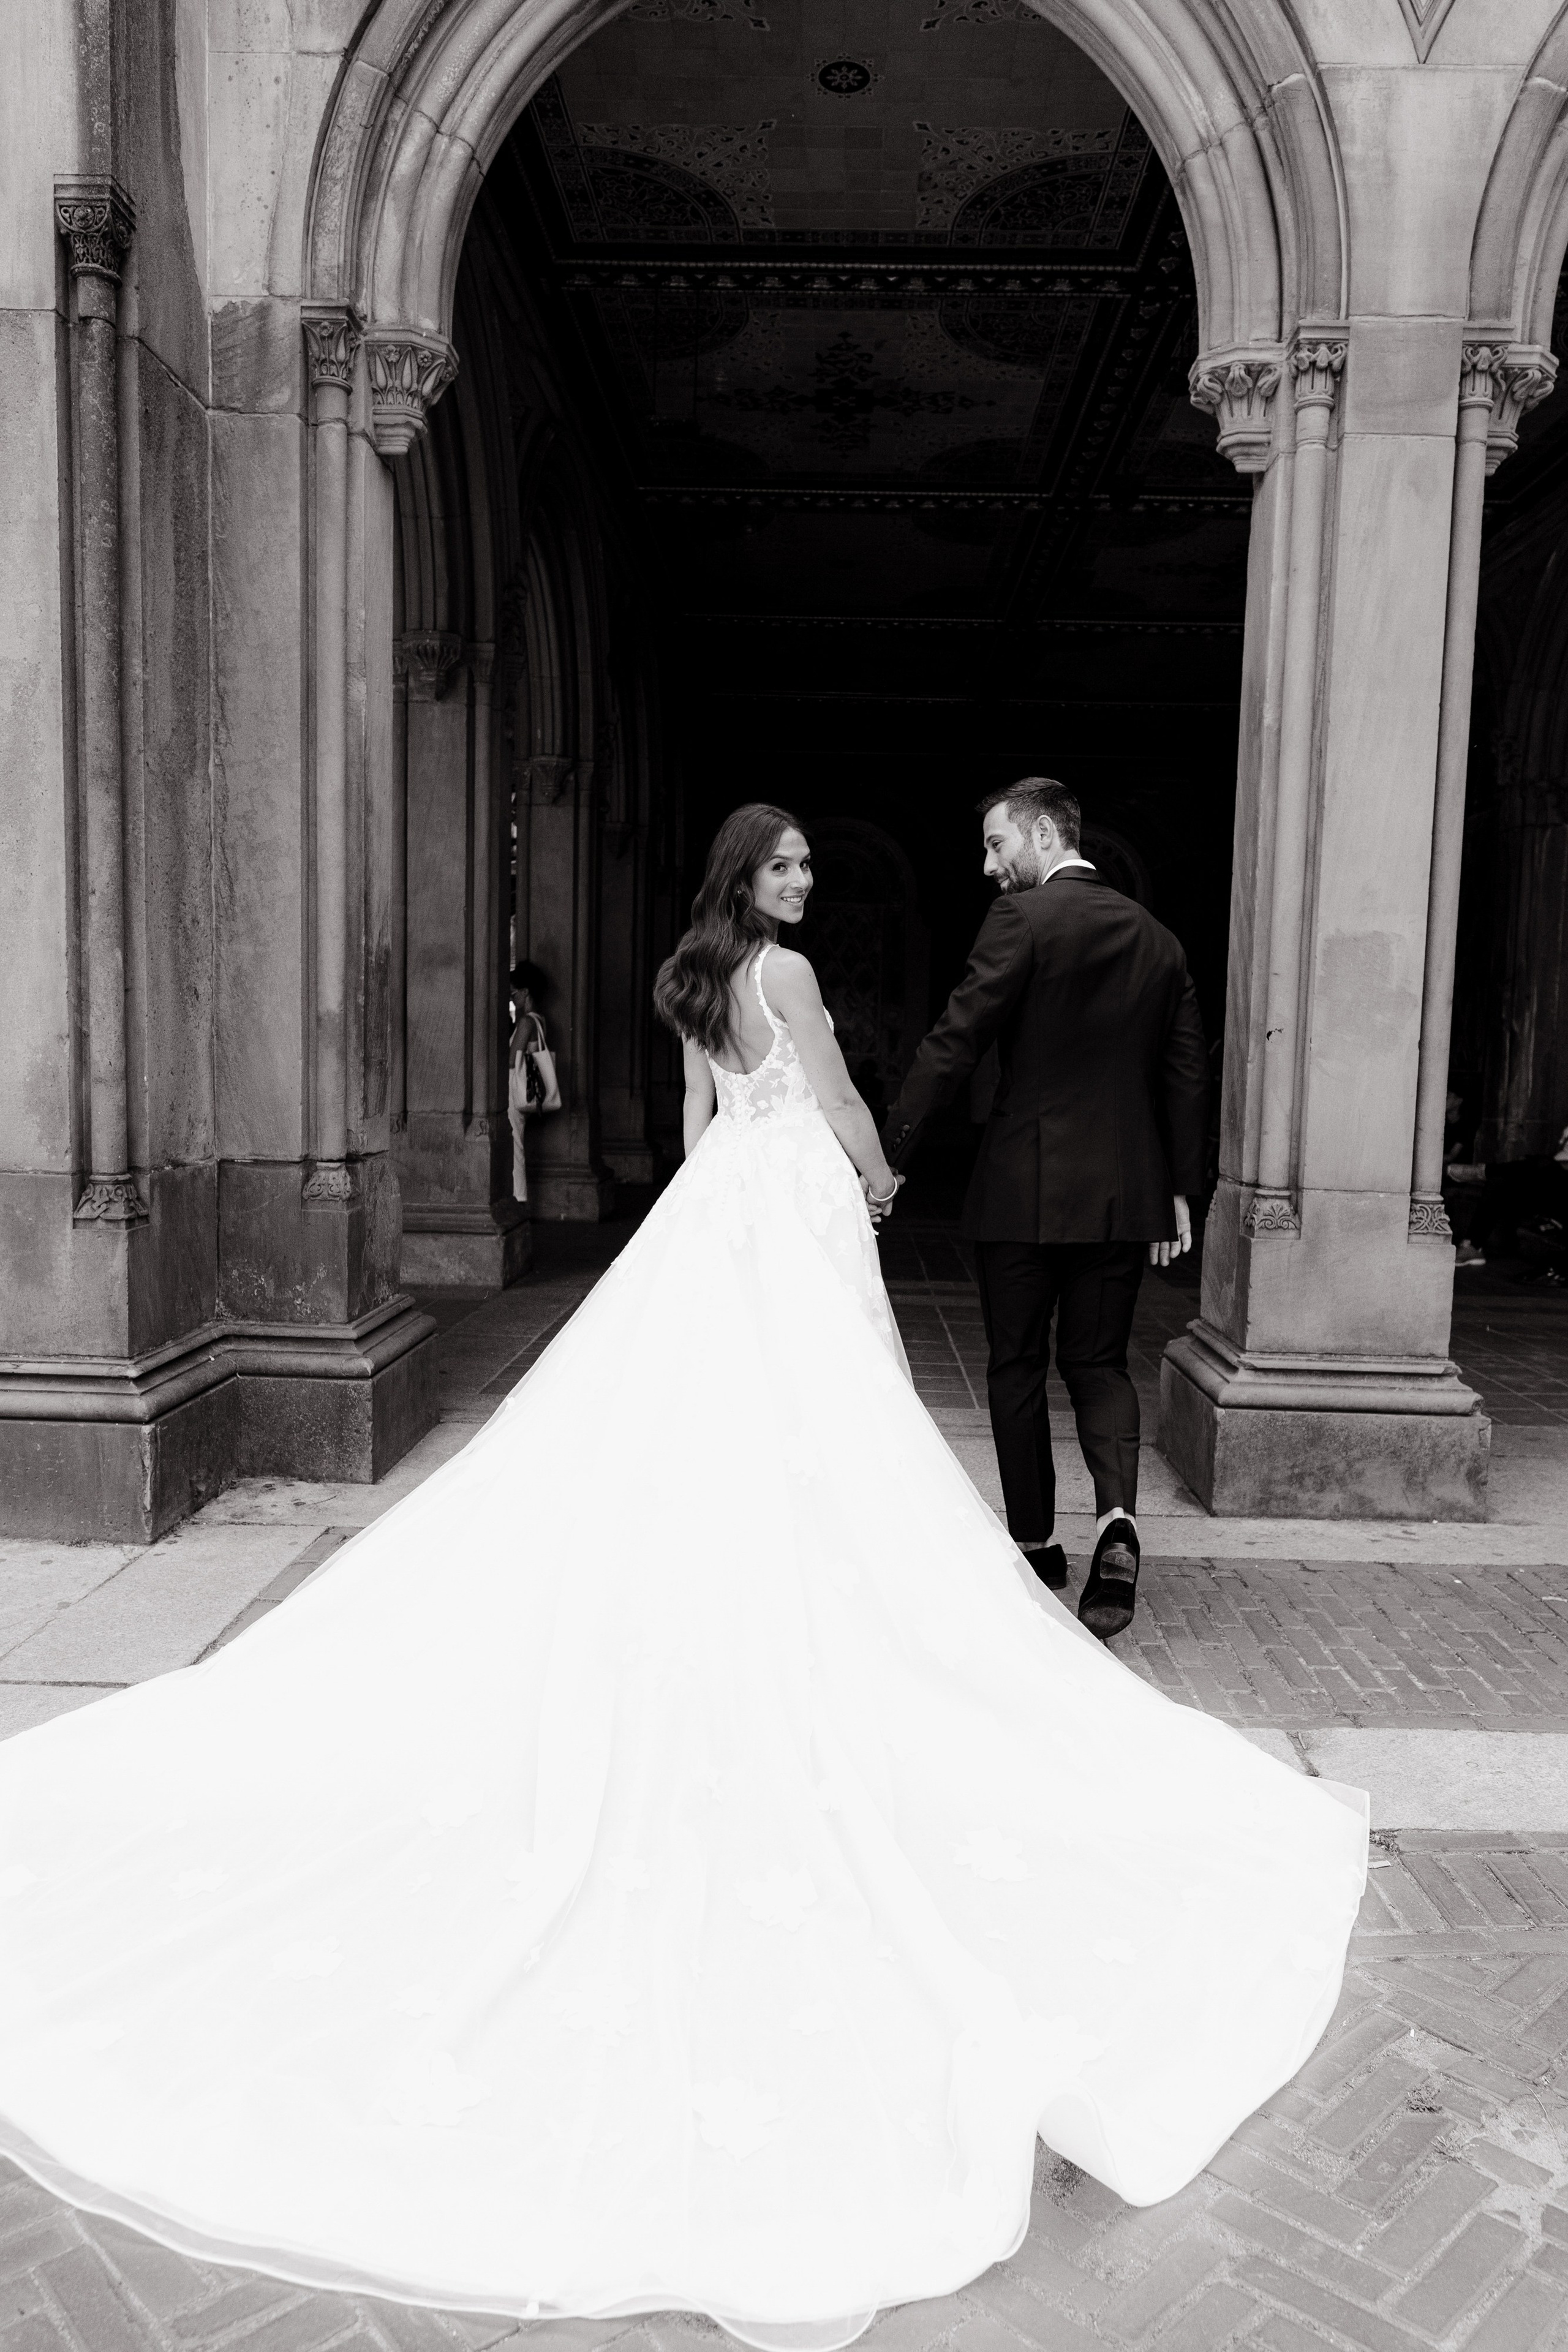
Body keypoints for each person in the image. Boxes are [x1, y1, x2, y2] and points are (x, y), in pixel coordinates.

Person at [0, 805, 1365, 2352]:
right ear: (749, 883)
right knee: (820, 1429)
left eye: (799, 870)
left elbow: (711, 1126)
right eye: (781, 868)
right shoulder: (778, 973)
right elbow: (837, 1102)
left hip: (722, 1213)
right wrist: (870, 1180)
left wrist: (732, 1210)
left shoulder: (692, 972)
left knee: (734, 1428)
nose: (795, 885)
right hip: (784, 1214)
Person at [882, 780, 1207, 1639]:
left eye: (997, 846)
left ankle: (1033, 1544)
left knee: (1018, 1364)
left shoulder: (1021, 922)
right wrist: (1178, 1188)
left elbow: (955, 1041)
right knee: (1099, 1364)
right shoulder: (1160, 942)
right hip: (1121, 1196)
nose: (990, 867)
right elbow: (1184, 1075)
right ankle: (1117, 1523)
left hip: (1023, 1189)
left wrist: (885, 1154)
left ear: (1041, 831)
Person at [506, 960, 555, 1202]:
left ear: (526, 992)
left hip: (515, 1091)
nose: (512, 1000)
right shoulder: (540, 1019)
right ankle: (519, 1198)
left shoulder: (527, 1022)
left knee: (516, 1148)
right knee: (517, 1145)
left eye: (514, 994)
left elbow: (511, 1060)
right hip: (524, 1089)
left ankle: (520, 1199)